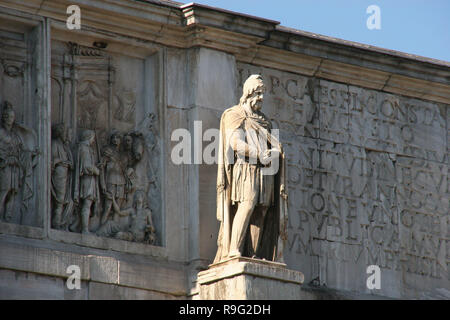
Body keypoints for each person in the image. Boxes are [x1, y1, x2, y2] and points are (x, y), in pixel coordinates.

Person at [214, 74, 288, 263]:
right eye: (257, 93)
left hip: (266, 171)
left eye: (262, 94)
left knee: (261, 210)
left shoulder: (265, 120)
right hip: (246, 168)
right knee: (247, 204)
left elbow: (272, 144)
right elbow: (234, 142)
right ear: (248, 92)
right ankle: (234, 250)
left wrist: (274, 153)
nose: (261, 98)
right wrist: (257, 153)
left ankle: (254, 253)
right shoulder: (235, 114)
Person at [74, 129, 102, 234]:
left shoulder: (86, 149)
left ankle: (80, 226)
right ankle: (85, 229)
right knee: (87, 204)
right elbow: (86, 166)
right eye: (93, 138)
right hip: (87, 180)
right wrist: (95, 170)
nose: (94, 141)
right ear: (88, 137)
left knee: (87, 204)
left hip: (89, 180)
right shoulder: (84, 149)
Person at [99, 131, 127, 225]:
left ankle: (114, 228)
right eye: (114, 138)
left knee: (117, 208)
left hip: (121, 182)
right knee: (108, 206)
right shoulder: (107, 151)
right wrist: (102, 184)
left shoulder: (123, 154)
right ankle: (102, 228)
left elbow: (125, 169)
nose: (115, 140)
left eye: (117, 138)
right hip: (110, 180)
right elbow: (102, 168)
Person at [51, 123, 74, 229]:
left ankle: (60, 221)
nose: (66, 135)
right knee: (59, 199)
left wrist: (69, 162)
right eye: (65, 133)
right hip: (59, 172)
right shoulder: (55, 143)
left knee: (64, 199)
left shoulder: (65, 146)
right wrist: (63, 161)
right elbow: (53, 160)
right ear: (59, 133)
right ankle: (56, 222)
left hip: (66, 173)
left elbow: (71, 162)